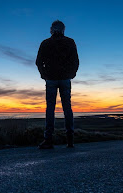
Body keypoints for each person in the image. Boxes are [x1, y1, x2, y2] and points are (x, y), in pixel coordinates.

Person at [36, 20, 79, 149]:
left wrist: (44, 75)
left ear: (51, 30)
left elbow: (38, 62)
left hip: (51, 80)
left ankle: (48, 140)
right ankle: (70, 141)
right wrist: (71, 74)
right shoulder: (70, 42)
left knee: (50, 109)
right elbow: (76, 61)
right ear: (63, 30)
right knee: (67, 108)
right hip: (65, 79)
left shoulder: (46, 43)